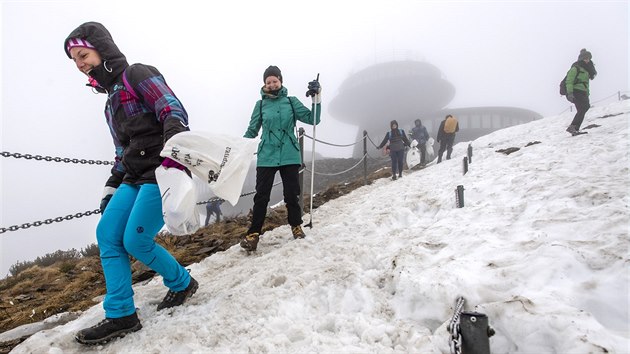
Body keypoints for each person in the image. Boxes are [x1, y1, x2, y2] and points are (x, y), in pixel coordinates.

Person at [64, 22, 198, 345]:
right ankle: (122, 312)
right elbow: (121, 152)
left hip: (161, 170)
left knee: (135, 240)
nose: (80, 64)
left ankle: (182, 283)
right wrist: (112, 186)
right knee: (107, 233)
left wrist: (175, 155)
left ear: (102, 49)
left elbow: (171, 108)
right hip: (133, 175)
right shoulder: (110, 103)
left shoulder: (136, 75)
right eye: (75, 61)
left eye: (83, 54)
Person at [240, 65, 321, 252]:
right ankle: (253, 235)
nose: (271, 84)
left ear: (281, 81)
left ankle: (296, 226)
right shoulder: (260, 105)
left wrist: (317, 97)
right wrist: (238, 147)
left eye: (274, 81)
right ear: (264, 84)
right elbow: (252, 130)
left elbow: (313, 119)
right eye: (268, 82)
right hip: (266, 155)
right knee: (261, 196)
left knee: (291, 194)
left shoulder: (291, 102)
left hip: (289, 155)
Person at [565, 49, 597, 136]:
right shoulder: (575, 68)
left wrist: (587, 93)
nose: (587, 60)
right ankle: (573, 127)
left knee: (584, 108)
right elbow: (569, 80)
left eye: (588, 58)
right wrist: (570, 93)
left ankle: (574, 128)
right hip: (575, 91)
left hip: (583, 92)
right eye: (585, 58)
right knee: (583, 107)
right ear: (581, 58)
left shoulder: (586, 70)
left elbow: (586, 84)